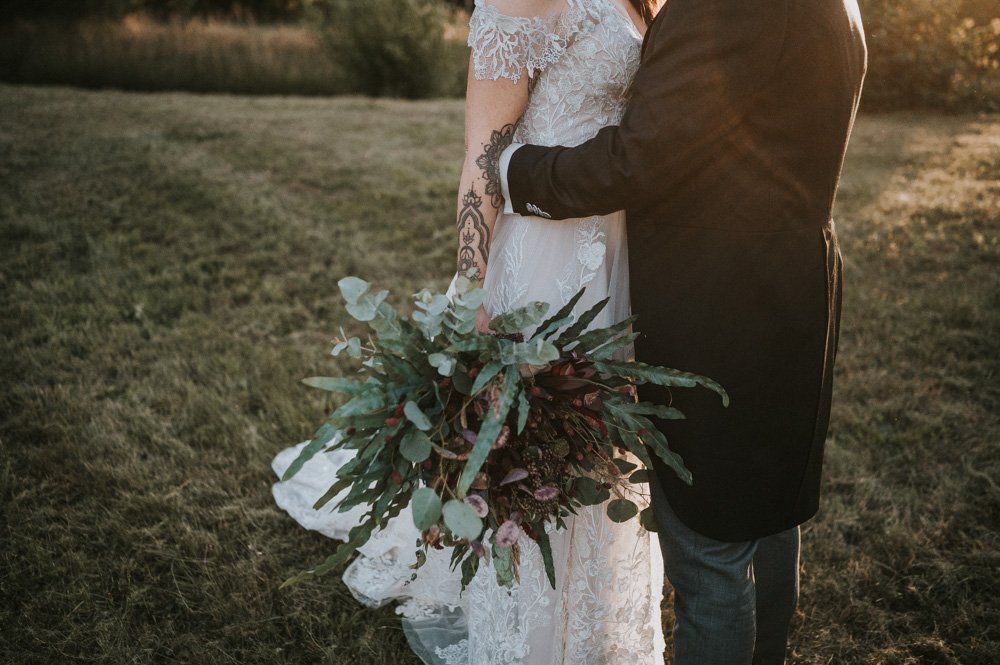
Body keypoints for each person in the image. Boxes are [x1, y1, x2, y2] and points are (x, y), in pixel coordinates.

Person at [274, 1, 670, 663]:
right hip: (546, 263)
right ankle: (527, 629)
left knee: (602, 440)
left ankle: (597, 622)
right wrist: (470, 290)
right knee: (538, 442)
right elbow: (484, 155)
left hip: (617, 254)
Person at [494, 1, 868, 664]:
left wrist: (514, 171)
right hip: (795, 289)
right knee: (770, 517)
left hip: (719, 308)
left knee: (709, 552)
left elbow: (638, 160)